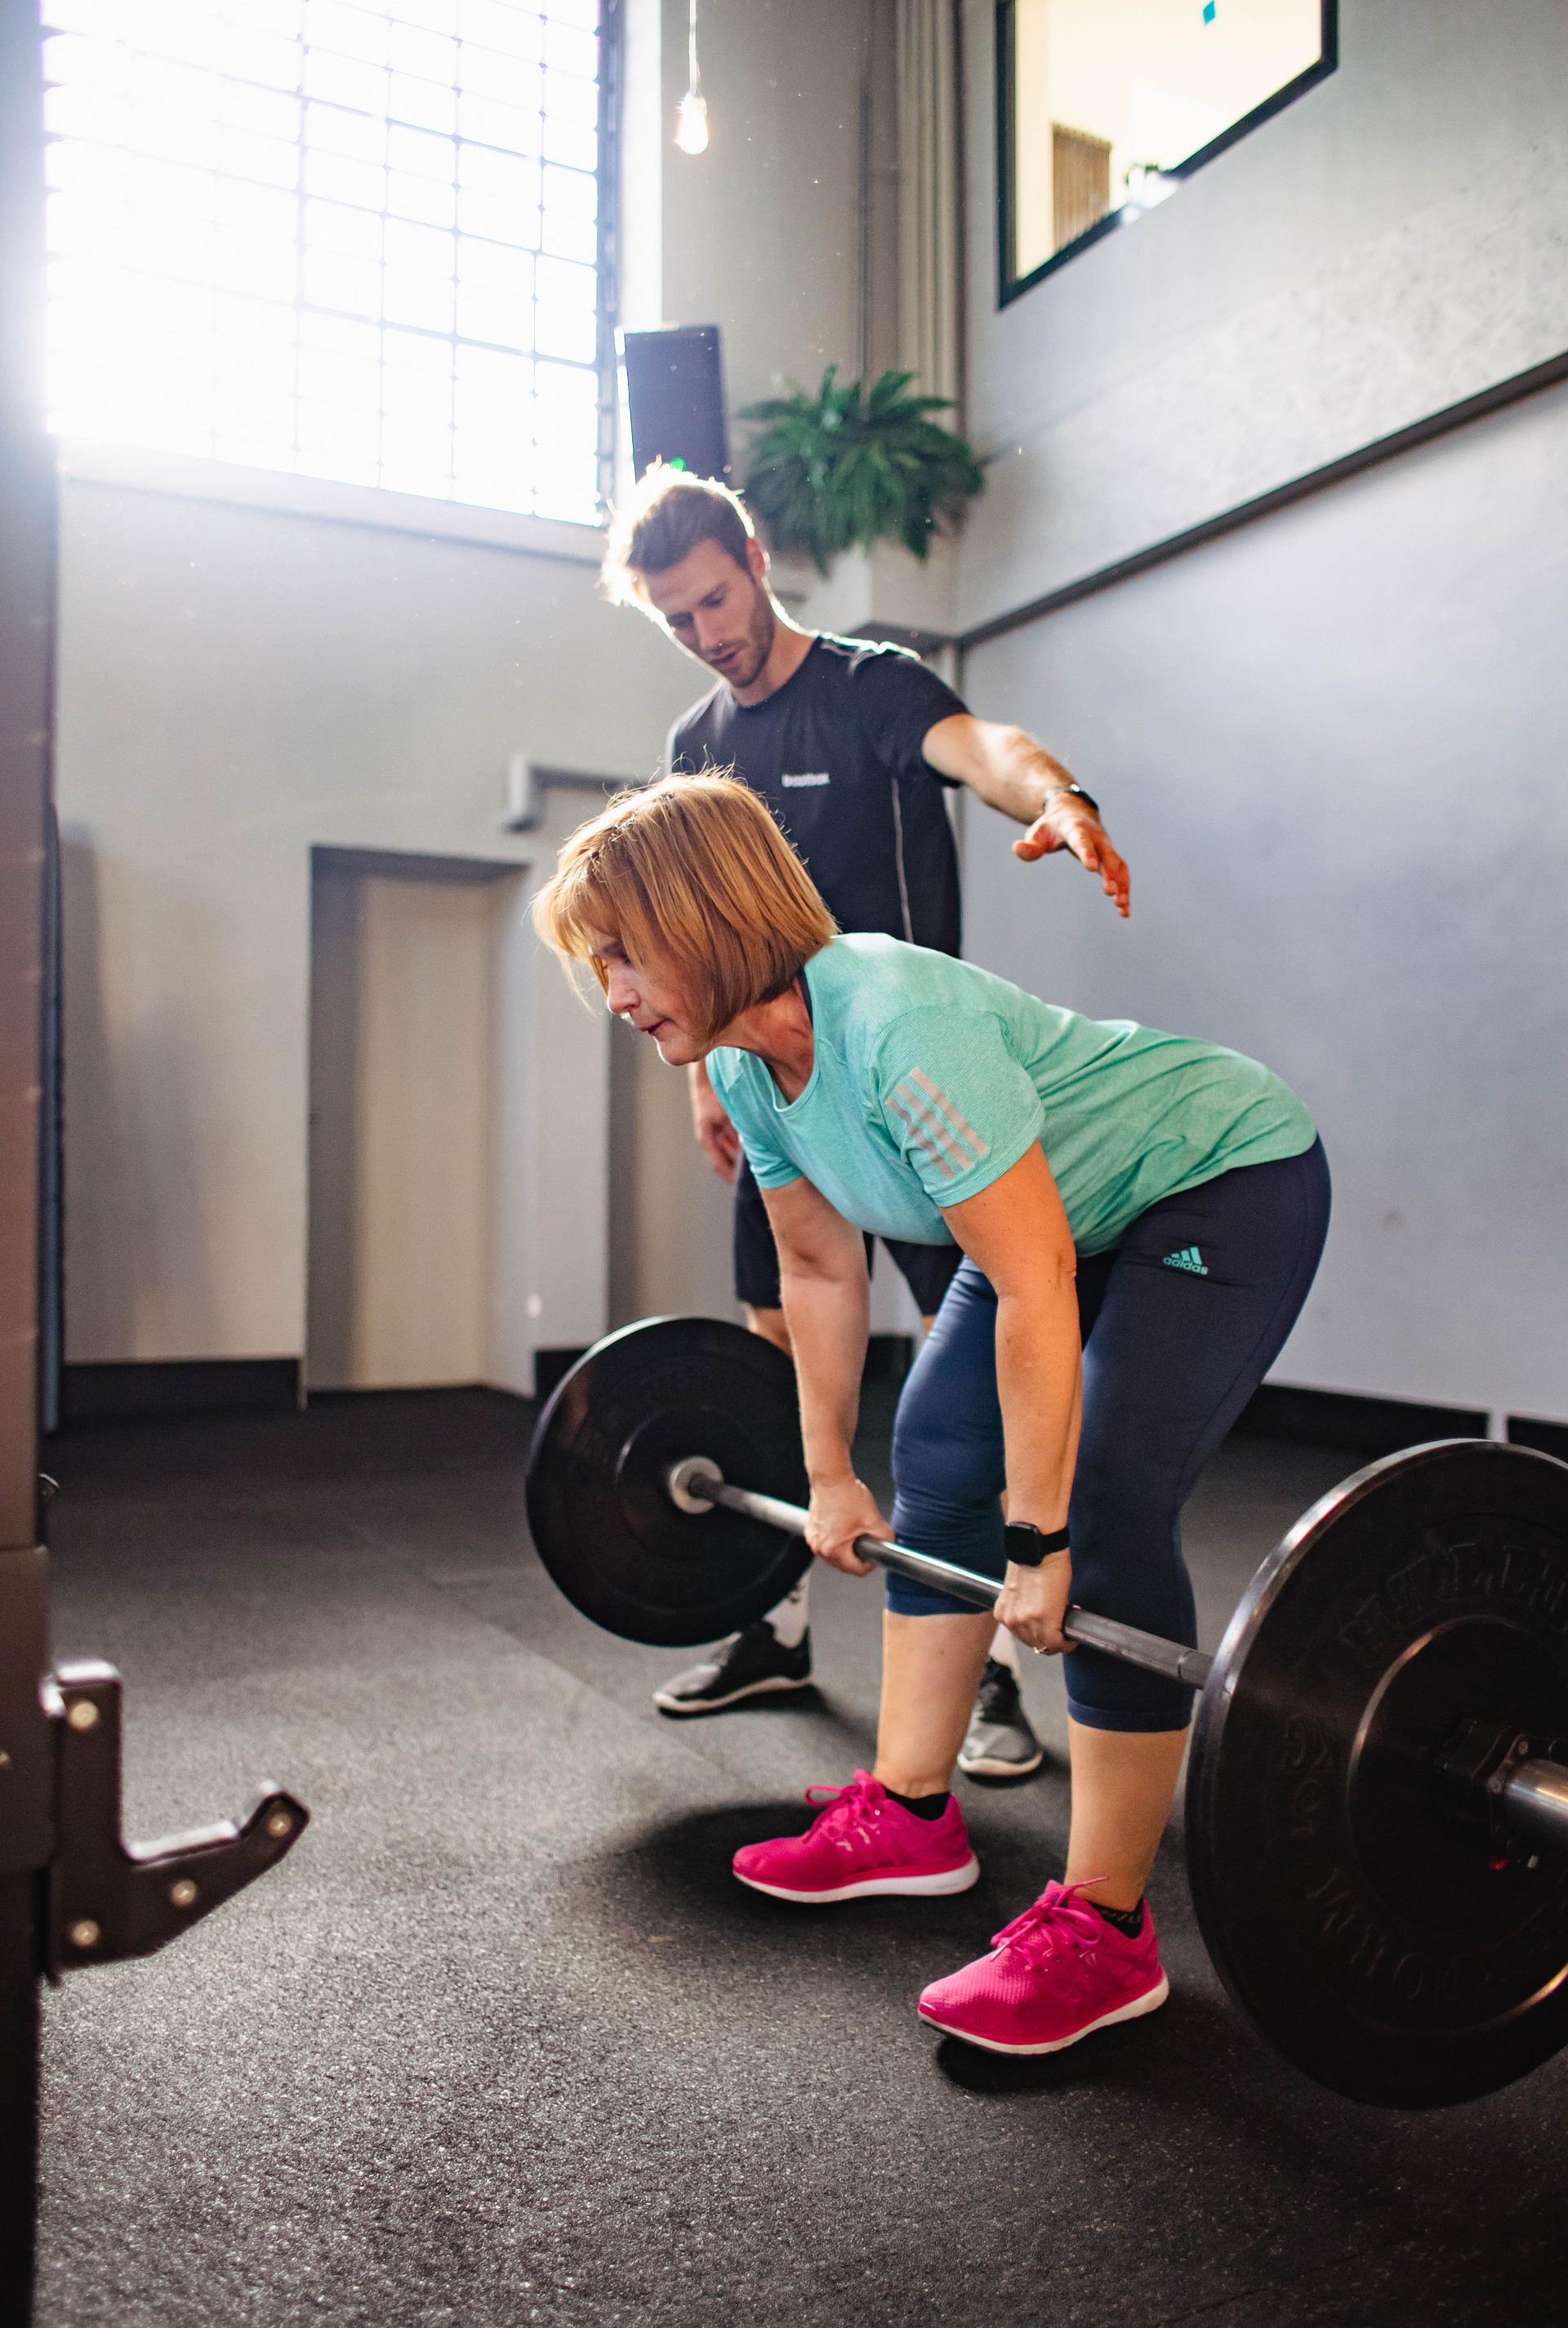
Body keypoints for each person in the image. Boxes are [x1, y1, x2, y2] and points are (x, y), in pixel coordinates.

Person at [534, 772, 1330, 2058]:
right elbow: (816, 1269)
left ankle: (1108, 1932)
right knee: (937, 1455)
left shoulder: (898, 1023)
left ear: (708, 917)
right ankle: (912, 1817)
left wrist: (1036, 1546)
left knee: (1106, 1501)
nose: (616, 997)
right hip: (1057, 1222)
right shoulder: (744, 1067)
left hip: (1215, 1177)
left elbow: (1030, 1285)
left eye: (625, 958)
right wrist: (829, 1477)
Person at [603, 468, 1131, 1770]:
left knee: (981, 1380)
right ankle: (773, 1622)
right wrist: (699, 1079)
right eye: (677, 620)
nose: (708, 632)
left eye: (716, 599)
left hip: (910, 1088)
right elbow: (681, 928)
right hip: (779, 1091)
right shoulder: (694, 745)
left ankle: (999, 1666)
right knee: (780, 1359)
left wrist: (1061, 799)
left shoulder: (871, 682)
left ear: (757, 557)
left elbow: (982, 750)